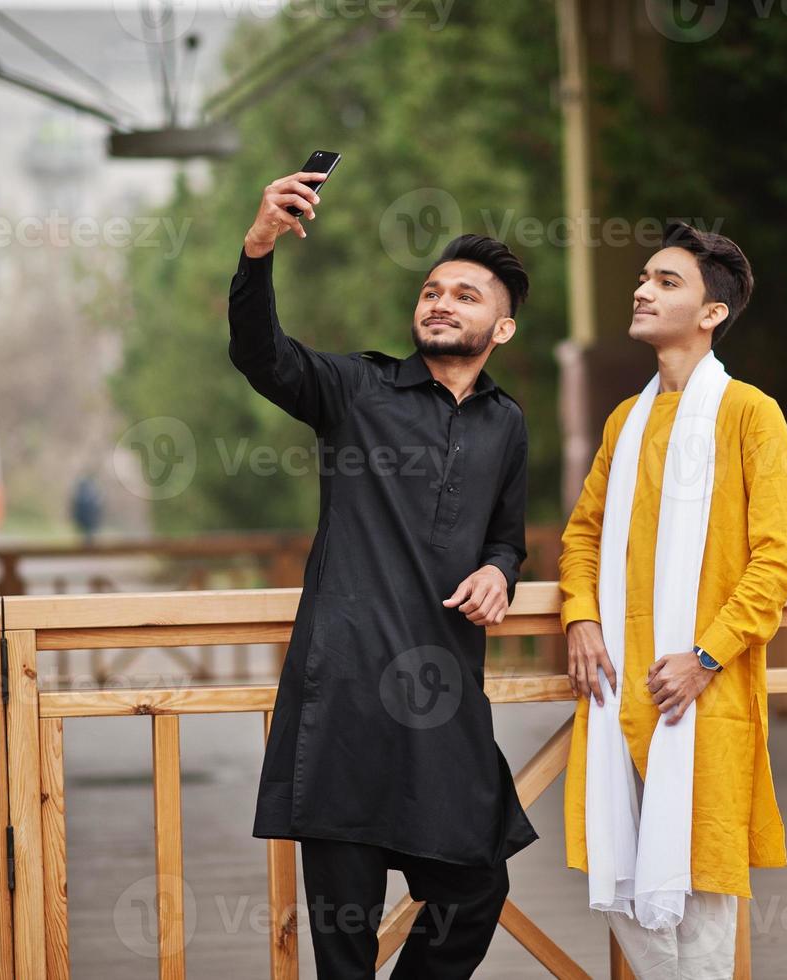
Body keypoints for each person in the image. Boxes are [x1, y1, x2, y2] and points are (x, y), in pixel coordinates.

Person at [229, 168, 538, 979]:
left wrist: (501, 571)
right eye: (433, 290)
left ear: (500, 330)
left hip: (441, 701)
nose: (440, 302)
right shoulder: (357, 390)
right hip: (345, 699)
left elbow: (509, 536)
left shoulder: (506, 424)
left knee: (475, 885)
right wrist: (259, 247)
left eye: (466, 296)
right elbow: (261, 356)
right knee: (344, 935)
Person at [559, 221, 787, 978]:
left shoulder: (747, 415)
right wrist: (580, 617)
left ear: (711, 313)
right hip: (614, 695)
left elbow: (776, 557)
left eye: (666, 281)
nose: (641, 289)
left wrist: (705, 655)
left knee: (701, 911)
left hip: (702, 695)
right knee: (624, 891)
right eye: (643, 277)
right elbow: (583, 535)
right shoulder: (625, 423)